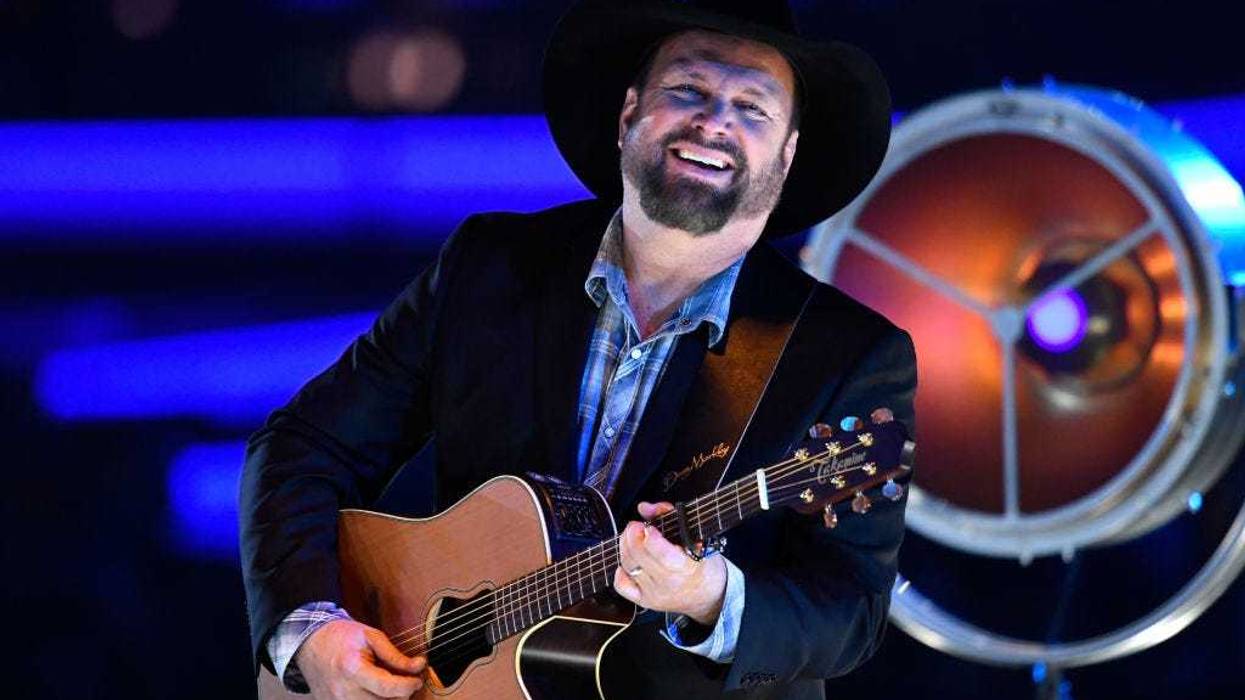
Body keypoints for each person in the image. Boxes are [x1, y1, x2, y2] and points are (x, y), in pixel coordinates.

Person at [239, 1, 916, 698]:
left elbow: (850, 611)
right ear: (628, 114)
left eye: (753, 108)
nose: (713, 121)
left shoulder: (848, 355)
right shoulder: (489, 266)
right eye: (686, 90)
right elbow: (303, 443)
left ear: (788, 152)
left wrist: (709, 595)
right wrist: (308, 628)